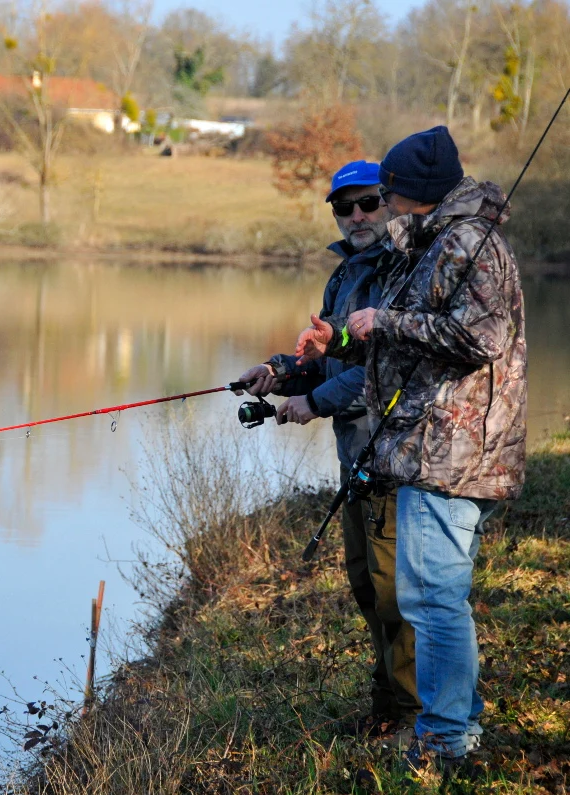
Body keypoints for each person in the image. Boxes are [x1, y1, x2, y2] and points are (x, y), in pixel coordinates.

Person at [294, 126, 527, 776]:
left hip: (454, 454)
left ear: (417, 192)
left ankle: (445, 739)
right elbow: (397, 336)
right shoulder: (431, 243)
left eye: (387, 194)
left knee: (433, 600)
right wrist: (337, 339)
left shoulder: (471, 244)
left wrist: (385, 321)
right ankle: (453, 727)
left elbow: (483, 338)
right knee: (430, 597)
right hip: (427, 450)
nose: (380, 206)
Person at [236, 161, 421, 737]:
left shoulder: (404, 269)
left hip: (394, 457)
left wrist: (314, 403)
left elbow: (383, 371)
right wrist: (278, 373)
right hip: (354, 458)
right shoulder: (344, 275)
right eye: (344, 208)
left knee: (396, 594)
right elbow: (331, 355)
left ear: (389, 201)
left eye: (367, 203)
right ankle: (388, 707)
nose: (357, 216)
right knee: (366, 584)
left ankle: (414, 718)